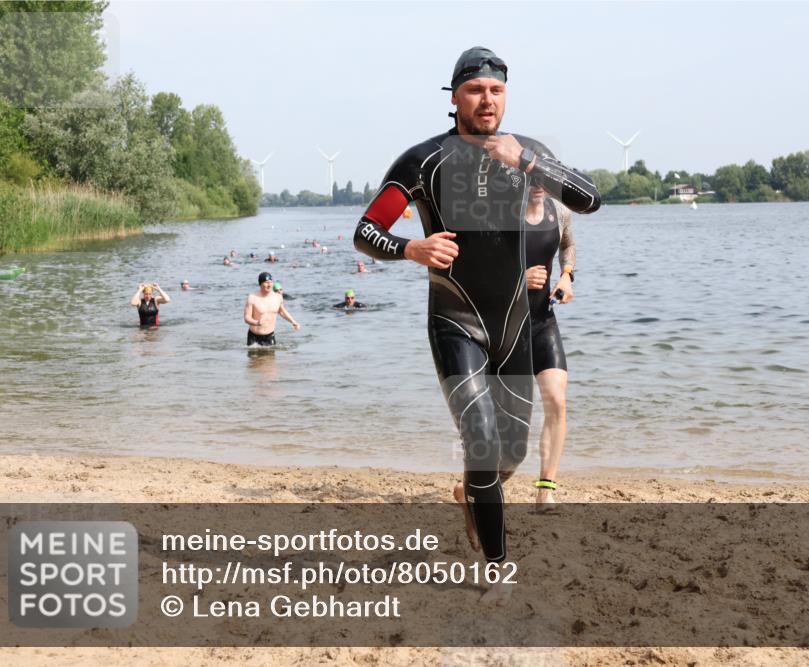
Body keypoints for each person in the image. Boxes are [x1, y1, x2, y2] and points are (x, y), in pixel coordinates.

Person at [353, 46, 599, 602]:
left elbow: (590, 199)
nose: (486, 100)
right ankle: (497, 569)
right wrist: (410, 247)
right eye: (475, 90)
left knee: (509, 454)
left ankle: (472, 497)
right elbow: (366, 231)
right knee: (483, 442)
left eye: (496, 91)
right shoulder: (424, 161)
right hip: (456, 321)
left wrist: (528, 162)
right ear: (455, 97)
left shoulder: (530, 153)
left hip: (516, 325)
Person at [524, 186, 575, 506]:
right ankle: (477, 484)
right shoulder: (497, 212)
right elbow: (475, 267)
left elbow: (567, 244)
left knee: (557, 400)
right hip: (501, 326)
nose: (539, 183)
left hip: (543, 320)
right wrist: (517, 278)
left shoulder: (560, 212)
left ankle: (546, 488)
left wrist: (567, 275)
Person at [243, 272, 300, 347]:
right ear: (260, 284)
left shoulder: (278, 297)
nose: (269, 285)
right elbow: (246, 318)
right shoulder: (252, 298)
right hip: (254, 336)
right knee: (254, 359)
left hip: (270, 336)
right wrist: (256, 322)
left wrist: (293, 321)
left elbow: (282, 312)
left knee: (270, 358)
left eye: (270, 282)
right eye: (266, 282)